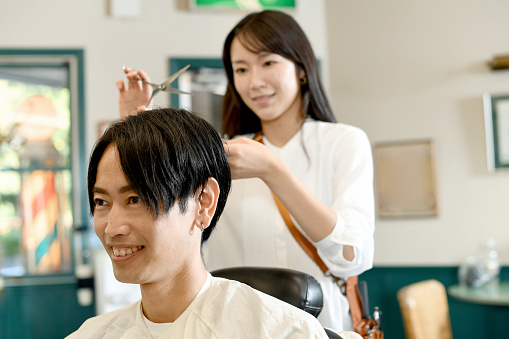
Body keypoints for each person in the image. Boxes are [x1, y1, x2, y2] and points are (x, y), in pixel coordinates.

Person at [117, 10, 375, 331]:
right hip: (231, 327)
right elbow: (159, 207)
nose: (255, 82)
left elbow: (353, 255)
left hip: (321, 328)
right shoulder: (223, 152)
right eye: (241, 69)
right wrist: (135, 126)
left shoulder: (343, 142)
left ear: (301, 67)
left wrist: (273, 170)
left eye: (268, 63)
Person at [66, 108, 329, 338]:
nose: (112, 228)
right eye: (102, 202)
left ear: (203, 203)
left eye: (135, 199)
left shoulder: (282, 332)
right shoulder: (92, 334)